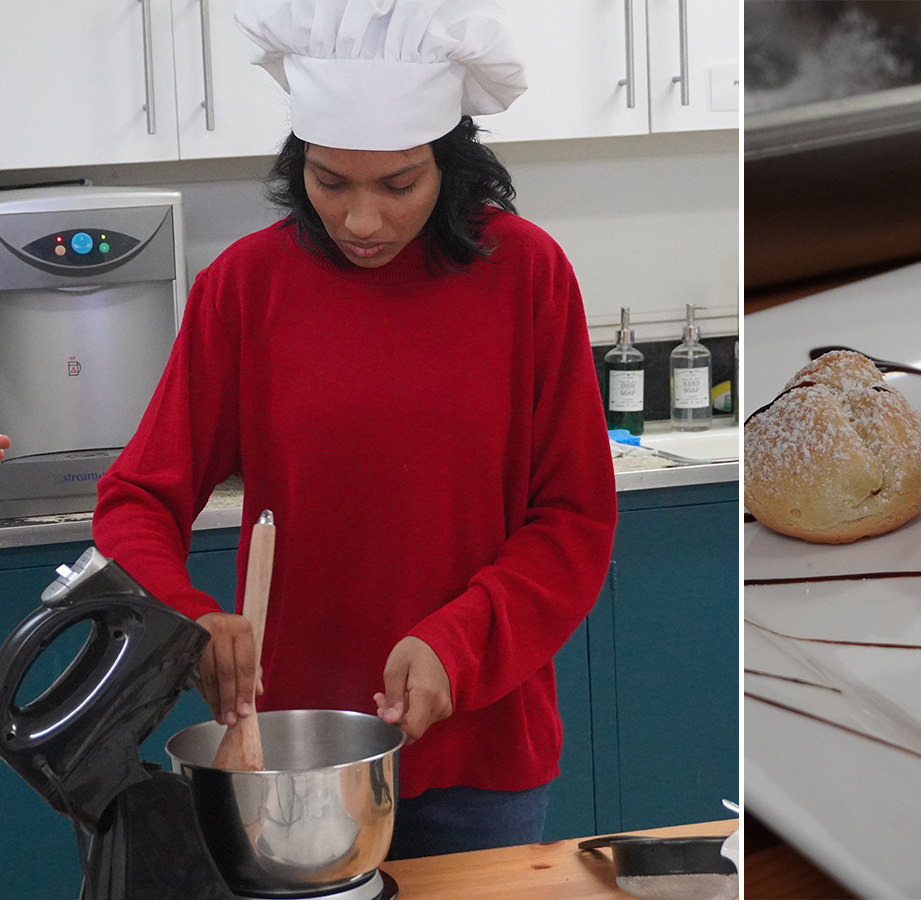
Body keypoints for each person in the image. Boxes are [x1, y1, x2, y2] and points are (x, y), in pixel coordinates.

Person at [91, 0, 617, 859]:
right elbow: (137, 500)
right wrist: (189, 618)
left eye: (397, 185)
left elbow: (573, 521)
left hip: (482, 752)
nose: (360, 221)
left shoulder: (528, 275)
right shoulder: (244, 289)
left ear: (451, 164)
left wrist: (459, 643)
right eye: (330, 182)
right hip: (293, 761)